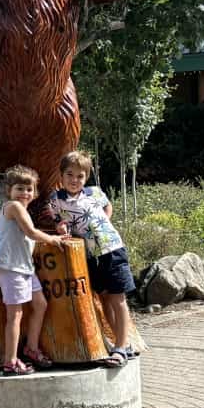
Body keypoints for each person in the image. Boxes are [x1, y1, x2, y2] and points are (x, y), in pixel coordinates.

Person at [50, 151, 140, 366]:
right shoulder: (56, 200)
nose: (74, 180)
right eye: (70, 175)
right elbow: (58, 221)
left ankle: (120, 348)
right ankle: (121, 342)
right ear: (61, 176)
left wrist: (103, 222)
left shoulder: (93, 192)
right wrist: (61, 227)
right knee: (105, 298)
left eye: (80, 176)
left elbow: (108, 206)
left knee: (118, 298)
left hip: (112, 248)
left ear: (86, 177)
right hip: (91, 256)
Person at [0, 165, 69, 375]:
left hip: (25, 268)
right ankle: (10, 361)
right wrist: (53, 239)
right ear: (9, 190)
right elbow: (31, 232)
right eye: (19, 188)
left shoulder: (23, 210)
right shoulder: (13, 207)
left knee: (40, 304)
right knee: (15, 315)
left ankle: (31, 348)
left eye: (29, 189)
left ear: (35, 192)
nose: (24, 193)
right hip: (10, 268)